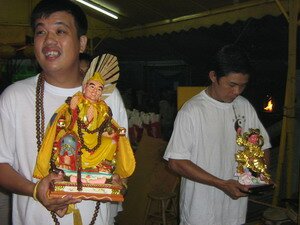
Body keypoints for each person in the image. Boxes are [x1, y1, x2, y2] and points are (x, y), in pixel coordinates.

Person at [0, 0, 128, 224]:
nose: (49, 40)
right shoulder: (14, 97)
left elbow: (120, 159)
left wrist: (121, 182)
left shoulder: (108, 97)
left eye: (60, 31)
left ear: (81, 43)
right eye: (41, 32)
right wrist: (35, 189)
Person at [163, 44, 271, 225]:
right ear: (213, 76)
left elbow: (262, 146)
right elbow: (176, 162)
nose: (237, 92)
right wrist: (221, 183)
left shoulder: (244, 106)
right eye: (232, 85)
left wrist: (258, 175)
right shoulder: (192, 111)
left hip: (234, 210)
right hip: (201, 211)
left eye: (242, 86)